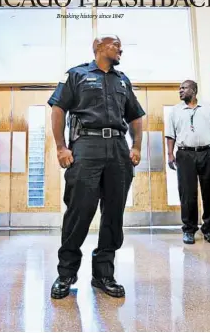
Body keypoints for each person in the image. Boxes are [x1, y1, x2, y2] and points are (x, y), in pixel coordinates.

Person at [47, 34, 145, 299]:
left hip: (117, 149)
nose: (120, 49)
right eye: (115, 45)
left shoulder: (122, 80)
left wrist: (136, 146)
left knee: (113, 214)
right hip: (85, 147)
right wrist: (60, 147)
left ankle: (104, 274)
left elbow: (136, 116)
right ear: (98, 47)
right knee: (79, 212)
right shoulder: (76, 75)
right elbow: (58, 110)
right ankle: (66, 273)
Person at [165, 80, 210, 245]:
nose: (180, 91)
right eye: (179, 89)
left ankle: (209, 230)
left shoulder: (208, 108)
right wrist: (170, 154)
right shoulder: (175, 111)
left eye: (183, 88)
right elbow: (170, 135)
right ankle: (189, 230)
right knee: (187, 194)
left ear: (194, 90)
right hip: (185, 154)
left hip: (208, 153)